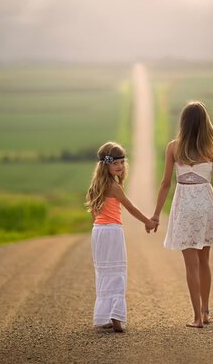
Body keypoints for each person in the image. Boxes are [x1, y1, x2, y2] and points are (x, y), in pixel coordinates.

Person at [152, 101, 213, 328]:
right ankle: (205, 311)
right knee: (205, 261)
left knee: (191, 266)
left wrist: (156, 214)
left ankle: (196, 317)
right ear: (206, 123)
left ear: (183, 122)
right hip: (206, 204)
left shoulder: (173, 147)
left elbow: (166, 183)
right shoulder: (212, 150)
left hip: (185, 204)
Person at [85, 141, 157, 332]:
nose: (120, 166)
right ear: (106, 165)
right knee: (117, 272)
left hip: (98, 232)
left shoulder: (96, 186)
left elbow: (94, 213)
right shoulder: (114, 187)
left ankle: (106, 315)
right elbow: (130, 208)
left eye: (122, 162)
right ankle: (116, 317)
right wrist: (147, 221)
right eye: (115, 163)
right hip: (112, 231)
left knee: (104, 272)